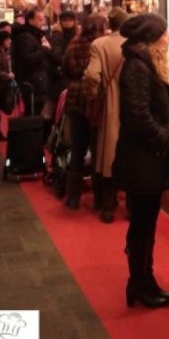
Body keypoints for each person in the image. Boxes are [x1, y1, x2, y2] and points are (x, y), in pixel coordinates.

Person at [113, 12, 169, 309]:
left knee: (146, 221)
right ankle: (138, 283)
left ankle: (144, 280)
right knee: (142, 223)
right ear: (151, 40)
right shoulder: (138, 68)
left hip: (146, 159)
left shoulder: (144, 64)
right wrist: (163, 140)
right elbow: (138, 115)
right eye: (165, 34)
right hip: (142, 160)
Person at [82, 6, 128, 223]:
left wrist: (92, 96)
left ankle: (107, 205)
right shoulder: (135, 44)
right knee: (130, 152)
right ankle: (131, 205)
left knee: (108, 154)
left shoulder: (99, 45)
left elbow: (92, 75)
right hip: (131, 104)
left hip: (110, 103)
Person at [62, 13, 107, 210]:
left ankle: (73, 197)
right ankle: (98, 200)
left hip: (74, 98)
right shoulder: (99, 46)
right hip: (93, 100)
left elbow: (64, 69)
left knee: (77, 149)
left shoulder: (72, 44)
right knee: (97, 150)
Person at [11, 8, 51, 116]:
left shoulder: (36, 35)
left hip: (37, 83)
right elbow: (27, 60)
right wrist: (44, 50)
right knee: (32, 114)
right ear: (30, 20)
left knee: (36, 113)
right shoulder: (25, 37)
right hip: (32, 85)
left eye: (43, 20)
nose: (42, 23)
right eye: (39, 20)